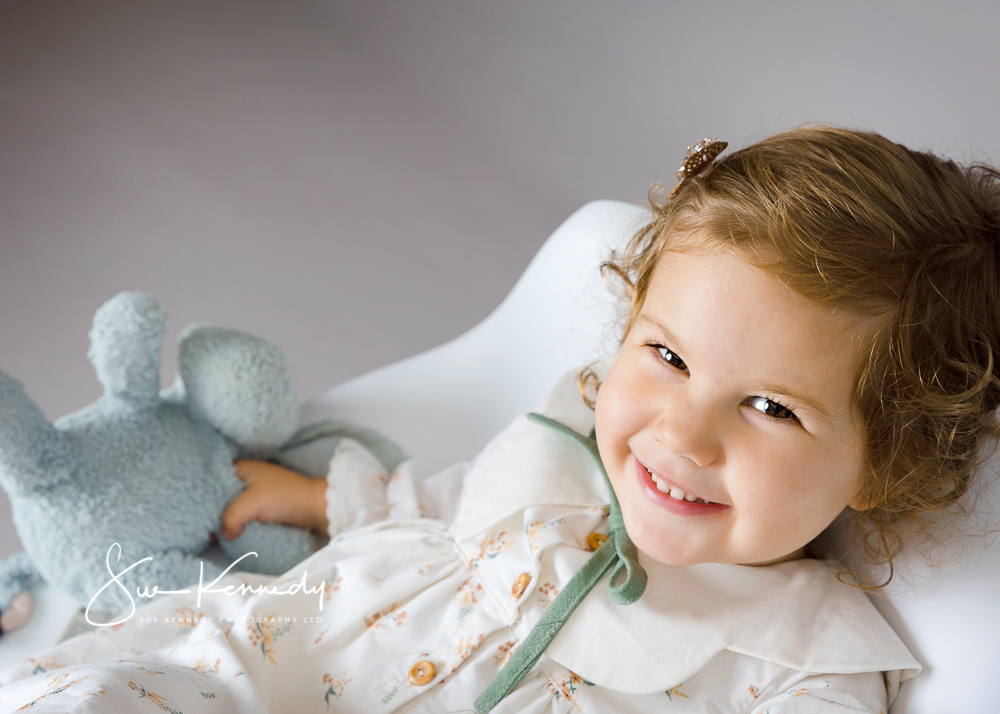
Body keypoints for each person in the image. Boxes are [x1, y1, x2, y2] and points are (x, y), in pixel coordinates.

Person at [2, 125, 997, 713]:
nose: (683, 435)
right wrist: (318, 498)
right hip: (291, 660)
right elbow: (457, 498)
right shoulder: (569, 440)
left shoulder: (806, 661)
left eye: (771, 407)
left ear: (883, 463)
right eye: (665, 355)